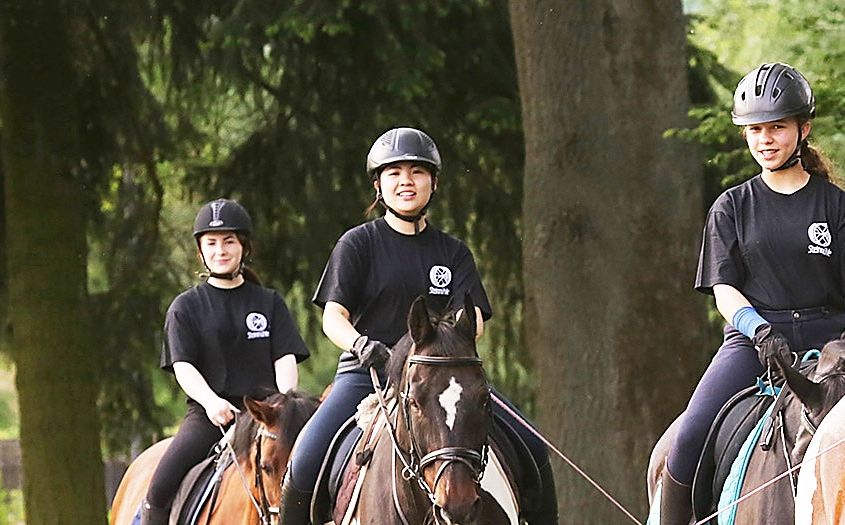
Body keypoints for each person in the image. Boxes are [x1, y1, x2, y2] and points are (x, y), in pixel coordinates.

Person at [278, 127, 559, 524]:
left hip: (443, 377)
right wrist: (361, 345)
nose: (406, 181)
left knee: (533, 446)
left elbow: (473, 319)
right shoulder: (357, 244)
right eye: (394, 173)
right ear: (379, 185)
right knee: (305, 460)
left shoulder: (454, 252)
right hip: (367, 375)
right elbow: (333, 317)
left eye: (417, 172)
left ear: (434, 182)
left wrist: (448, 340)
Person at [660, 63, 845, 524]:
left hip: (834, 344)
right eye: (755, 129)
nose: (765, 139)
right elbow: (724, 288)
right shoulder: (731, 206)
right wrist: (759, 331)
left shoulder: (836, 205)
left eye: (777, 127)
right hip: (755, 340)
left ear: (803, 129)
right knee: (688, 437)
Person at [140, 198, 310, 525]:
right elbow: (183, 365)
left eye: (229, 241)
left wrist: (282, 405)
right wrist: (211, 402)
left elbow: (284, 358)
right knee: (160, 486)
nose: (221, 250)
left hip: (266, 417)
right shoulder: (185, 307)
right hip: (211, 416)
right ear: (200, 251)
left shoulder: (269, 303)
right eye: (212, 243)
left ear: (244, 247)